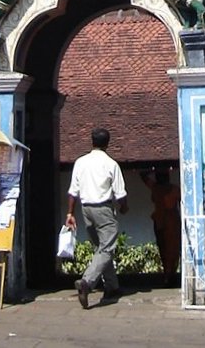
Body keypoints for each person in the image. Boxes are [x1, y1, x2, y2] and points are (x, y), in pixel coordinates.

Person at [66, 128, 128, 309]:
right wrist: (124, 207)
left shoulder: (80, 162)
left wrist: (70, 213)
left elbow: (72, 191)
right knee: (107, 248)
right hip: (103, 209)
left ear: (91, 141)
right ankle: (87, 282)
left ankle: (112, 287)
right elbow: (120, 194)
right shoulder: (111, 164)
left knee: (101, 249)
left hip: (86, 210)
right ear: (108, 143)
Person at [140, 168, 181, 287]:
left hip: (162, 222)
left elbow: (143, 175)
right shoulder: (173, 189)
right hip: (170, 222)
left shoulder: (156, 188)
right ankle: (169, 275)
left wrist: (152, 170)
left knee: (165, 249)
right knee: (171, 250)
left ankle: (168, 275)